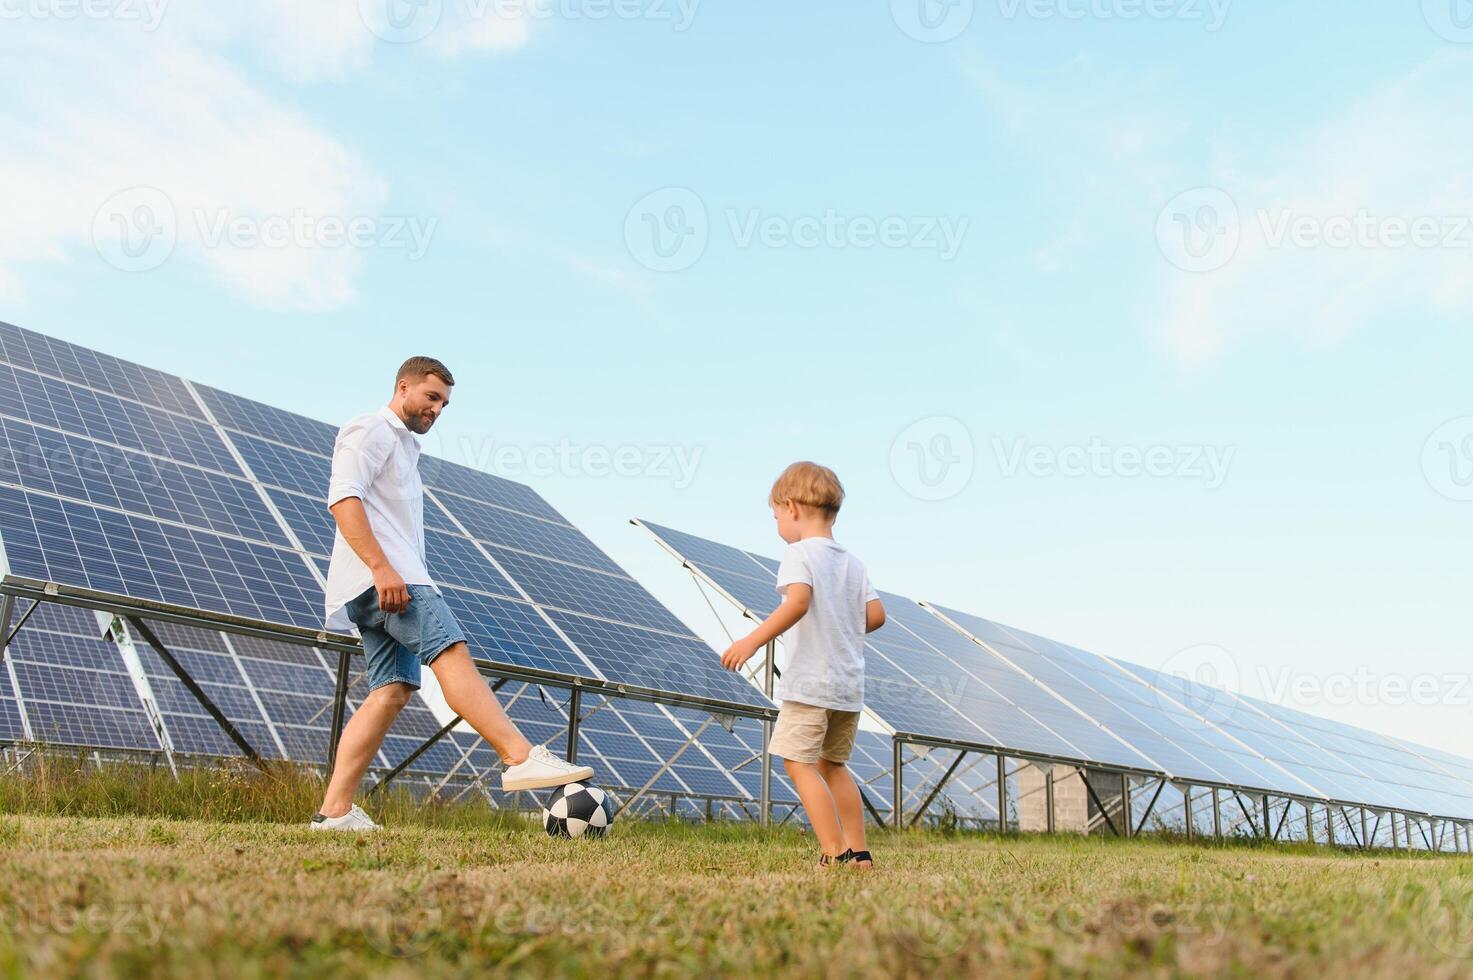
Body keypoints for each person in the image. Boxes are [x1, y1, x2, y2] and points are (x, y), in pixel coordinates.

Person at [311, 356, 593, 831]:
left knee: (391, 691)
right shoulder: (371, 430)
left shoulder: (403, 447)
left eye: (443, 403)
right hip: (390, 581)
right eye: (430, 397)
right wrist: (383, 569)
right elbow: (343, 497)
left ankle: (334, 812)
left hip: (378, 582)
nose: (437, 410)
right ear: (403, 388)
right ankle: (519, 756)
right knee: (451, 651)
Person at [719, 461, 885, 868]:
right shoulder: (854, 563)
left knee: (799, 763)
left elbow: (797, 602)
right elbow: (877, 616)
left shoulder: (798, 554)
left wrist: (752, 640)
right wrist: (841, 619)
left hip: (811, 684)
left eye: (775, 515)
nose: (777, 523)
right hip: (848, 688)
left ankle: (834, 850)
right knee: (834, 765)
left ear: (791, 508)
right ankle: (860, 852)